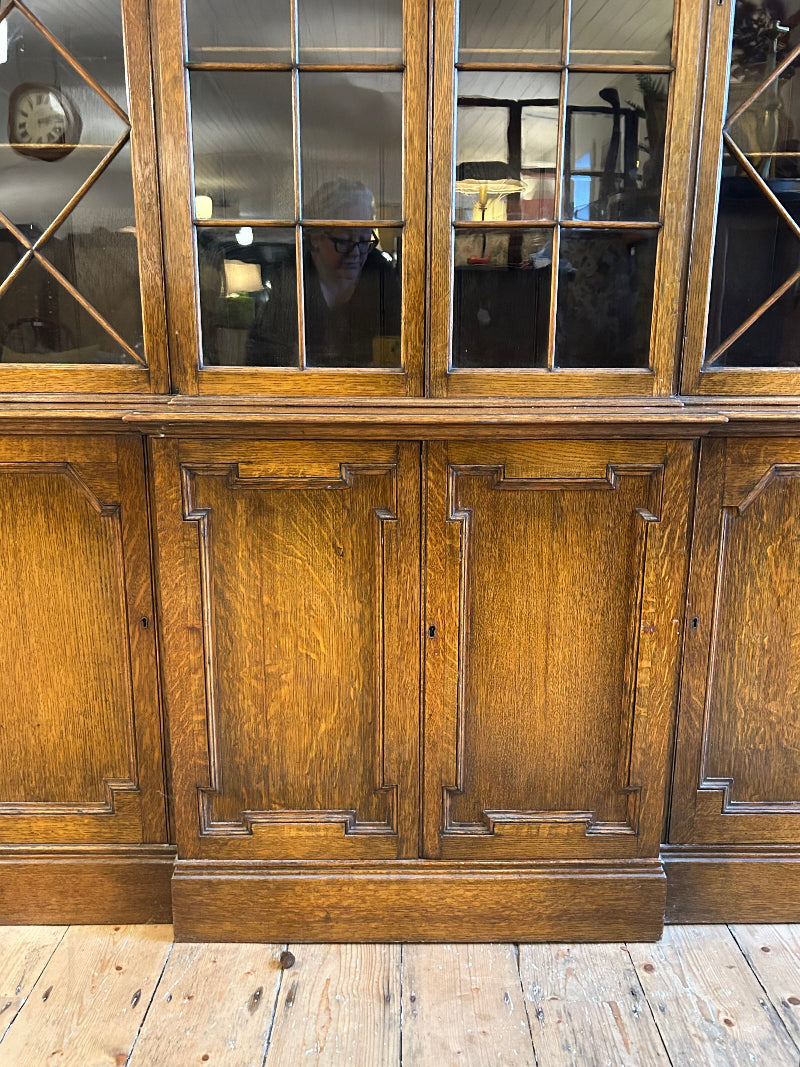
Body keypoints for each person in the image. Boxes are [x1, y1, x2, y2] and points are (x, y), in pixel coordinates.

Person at [245, 180, 401, 368]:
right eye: (344, 240)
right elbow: (262, 357)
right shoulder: (289, 280)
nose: (356, 253)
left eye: (364, 238)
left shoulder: (384, 280)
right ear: (316, 237)